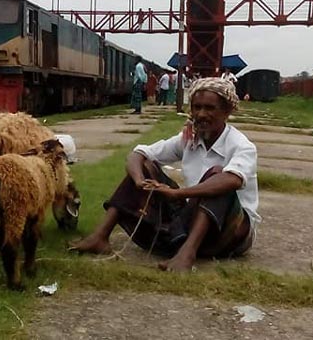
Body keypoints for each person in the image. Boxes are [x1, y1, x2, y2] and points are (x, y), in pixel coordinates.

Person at [70, 77, 259, 272]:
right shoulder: (188, 139)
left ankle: (187, 254)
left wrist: (178, 194)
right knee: (147, 166)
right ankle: (100, 237)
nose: (201, 114)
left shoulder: (242, 146)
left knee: (219, 176)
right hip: (196, 223)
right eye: (196, 107)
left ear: (227, 111)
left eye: (210, 108)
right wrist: (139, 181)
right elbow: (138, 153)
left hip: (229, 234)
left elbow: (233, 179)